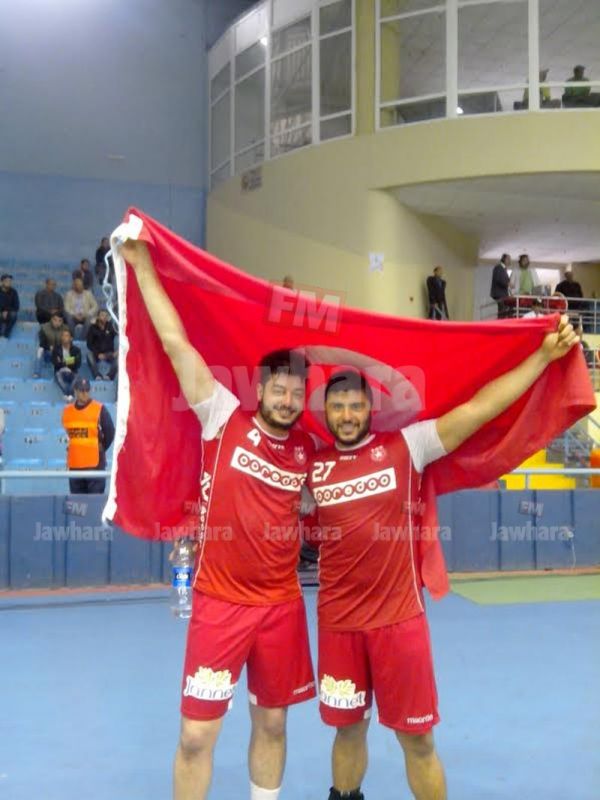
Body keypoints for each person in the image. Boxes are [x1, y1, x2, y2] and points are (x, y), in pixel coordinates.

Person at [305, 315, 580, 800]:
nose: (346, 414)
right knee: (347, 731)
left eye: (355, 405)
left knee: (418, 740)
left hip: (398, 624)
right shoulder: (313, 468)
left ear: (370, 408)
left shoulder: (408, 446)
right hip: (337, 625)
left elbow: (480, 408)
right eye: (338, 406)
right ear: (325, 412)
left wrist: (542, 357)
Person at [119, 239, 316, 800]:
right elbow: (175, 343)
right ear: (260, 389)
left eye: (296, 392)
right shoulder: (221, 416)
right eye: (278, 389)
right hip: (219, 604)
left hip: (281, 607)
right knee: (195, 736)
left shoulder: (308, 451)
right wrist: (142, 266)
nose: (286, 399)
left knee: (273, 724)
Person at [62, 377, 115, 494]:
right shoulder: (67, 412)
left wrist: (100, 448)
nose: (85, 393)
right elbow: (70, 435)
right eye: (82, 390)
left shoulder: (99, 409)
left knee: (94, 502)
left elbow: (110, 432)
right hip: (75, 465)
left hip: (95, 465)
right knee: (77, 504)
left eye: (87, 390)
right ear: (75, 391)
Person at [34, 312, 69, 378]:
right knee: (40, 350)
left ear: (62, 321)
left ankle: (65, 372)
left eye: (59, 321)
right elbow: (42, 343)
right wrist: (49, 347)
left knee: (68, 352)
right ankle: (37, 372)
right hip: (48, 352)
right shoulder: (44, 328)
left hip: (60, 353)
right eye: (55, 320)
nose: (57, 322)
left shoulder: (66, 329)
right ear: (51, 319)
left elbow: (67, 343)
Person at [86, 310, 118, 381]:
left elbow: (120, 335)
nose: (104, 317)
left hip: (109, 353)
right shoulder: (92, 327)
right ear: (98, 317)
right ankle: (97, 375)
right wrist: (97, 354)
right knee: (89, 355)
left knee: (120, 357)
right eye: (102, 315)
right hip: (96, 353)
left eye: (106, 315)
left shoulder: (111, 326)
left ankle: (109, 376)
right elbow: (89, 344)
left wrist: (118, 351)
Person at [52, 329, 82, 401]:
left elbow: (78, 364)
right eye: (63, 335)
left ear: (71, 338)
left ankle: (68, 394)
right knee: (58, 376)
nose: (64, 337)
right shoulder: (56, 349)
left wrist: (63, 361)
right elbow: (55, 363)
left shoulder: (76, 350)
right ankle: (68, 394)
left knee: (77, 377)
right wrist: (71, 360)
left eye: (67, 335)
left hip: (72, 372)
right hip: (60, 372)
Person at [490, 254, 512, 318]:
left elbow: (505, 280)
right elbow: (499, 279)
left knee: (503, 310)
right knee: (502, 311)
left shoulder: (503, 269)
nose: (510, 261)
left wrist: (509, 283)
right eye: (509, 259)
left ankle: (502, 321)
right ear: (505, 259)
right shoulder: (499, 267)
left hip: (502, 294)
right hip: (499, 294)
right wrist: (508, 284)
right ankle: (500, 322)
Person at [0, 274, 19, 338]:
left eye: (10, 281)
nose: (9, 283)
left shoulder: (14, 292)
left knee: (14, 315)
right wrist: (2, 311)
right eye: (7, 281)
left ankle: (6, 334)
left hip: (9, 313)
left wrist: (6, 310)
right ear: (2, 282)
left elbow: (16, 306)